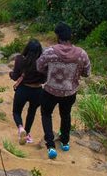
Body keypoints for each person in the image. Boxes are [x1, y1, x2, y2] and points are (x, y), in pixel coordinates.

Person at [36, 22, 91, 159]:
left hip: (50, 90)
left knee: (46, 114)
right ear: (70, 36)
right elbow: (87, 73)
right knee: (66, 114)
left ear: (57, 36)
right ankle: (65, 142)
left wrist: (49, 71)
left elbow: (39, 66)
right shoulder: (81, 54)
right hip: (69, 92)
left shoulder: (49, 51)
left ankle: (50, 146)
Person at [9, 38, 46, 144]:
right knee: (32, 112)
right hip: (37, 91)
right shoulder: (42, 62)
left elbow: (15, 76)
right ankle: (28, 134)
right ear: (39, 50)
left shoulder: (20, 59)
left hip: (23, 89)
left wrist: (10, 74)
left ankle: (21, 128)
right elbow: (44, 79)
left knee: (16, 111)